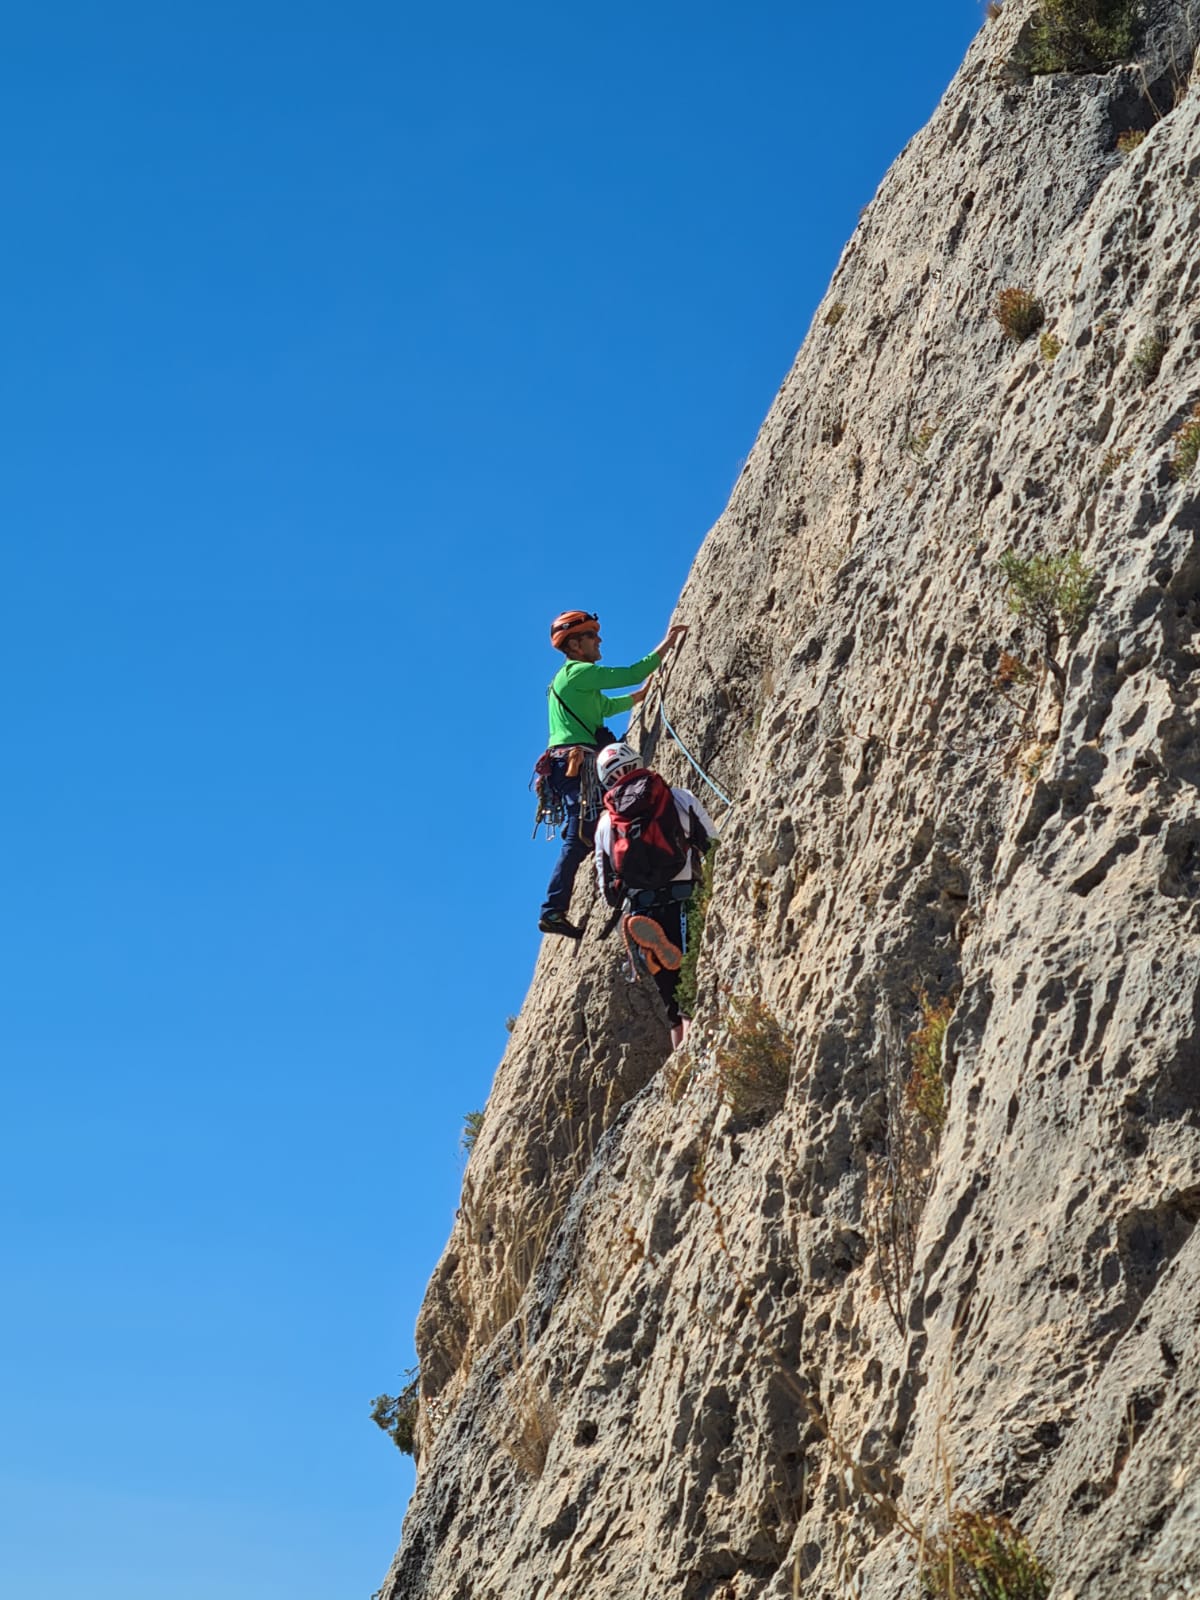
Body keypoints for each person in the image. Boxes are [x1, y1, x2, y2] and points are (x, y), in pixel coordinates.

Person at [536, 612, 687, 939]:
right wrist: (668, 644)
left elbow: (602, 709)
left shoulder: (565, 682)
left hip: (567, 764)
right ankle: (554, 909)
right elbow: (631, 673)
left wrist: (639, 698)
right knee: (582, 834)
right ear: (575, 645)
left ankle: (573, 898)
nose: (599, 640)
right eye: (592, 636)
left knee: (587, 827)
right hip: (576, 763)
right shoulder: (578, 672)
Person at [593, 741, 715, 1049]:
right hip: (685, 898)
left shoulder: (606, 824)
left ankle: (679, 1058)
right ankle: (693, 1057)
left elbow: (607, 890)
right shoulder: (677, 797)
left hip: (643, 910)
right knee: (692, 982)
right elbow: (713, 846)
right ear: (638, 761)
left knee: (671, 1002)